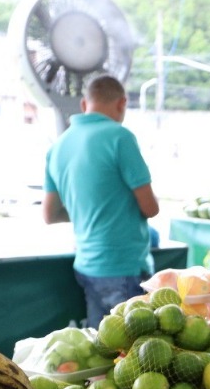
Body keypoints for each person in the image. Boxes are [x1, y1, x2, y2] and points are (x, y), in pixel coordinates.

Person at [43, 74, 160, 328]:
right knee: (137, 355)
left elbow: (50, 215)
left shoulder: (58, 147)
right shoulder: (120, 137)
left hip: (86, 267)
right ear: (122, 103)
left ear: (84, 104)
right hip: (123, 267)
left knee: (101, 351)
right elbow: (150, 208)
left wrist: (87, 208)